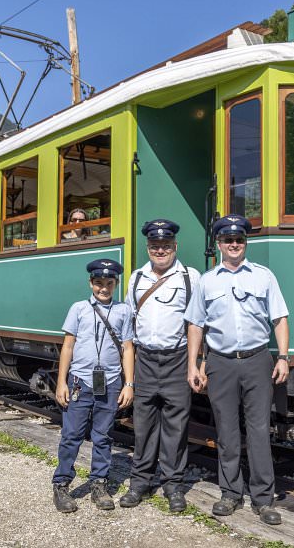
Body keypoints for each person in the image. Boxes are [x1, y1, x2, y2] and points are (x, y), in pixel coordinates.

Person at [184, 214, 291, 526]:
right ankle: (230, 494)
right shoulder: (207, 280)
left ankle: (263, 499)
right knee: (227, 431)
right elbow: (195, 325)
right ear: (219, 244)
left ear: (246, 242)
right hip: (219, 363)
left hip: (258, 360)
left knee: (258, 431)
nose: (234, 244)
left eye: (239, 239)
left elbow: (280, 318)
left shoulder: (264, 277)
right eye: (228, 239)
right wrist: (194, 363)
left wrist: (283, 356)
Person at [119, 219, 200, 513]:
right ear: (148, 247)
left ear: (175, 246)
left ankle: (173, 486)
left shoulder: (190, 277)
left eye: (166, 245)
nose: (160, 250)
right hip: (146, 359)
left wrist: (196, 363)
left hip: (177, 359)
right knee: (143, 425)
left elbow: (196, 323)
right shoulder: (136, 277)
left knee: (176, 427)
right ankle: (139, 482)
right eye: (155, 246)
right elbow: (129, 320)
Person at [52, 258, 135, 513]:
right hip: (79, 381)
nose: (103, 288)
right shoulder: (78, 308)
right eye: (98, 283)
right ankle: (62, 484)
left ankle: (99, 483)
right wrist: (61, 382)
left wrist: (129, 383)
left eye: (109, 283)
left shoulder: (124, 311)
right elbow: (68, 346)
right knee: (71, 435)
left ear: (116, 283)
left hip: (110, 382)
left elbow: (128, 348)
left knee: (103, 436)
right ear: (90, 283)